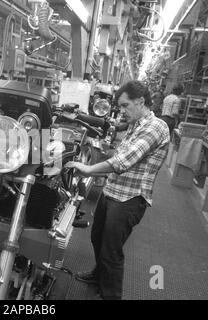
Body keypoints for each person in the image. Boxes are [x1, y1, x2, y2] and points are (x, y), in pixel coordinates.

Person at [65, 80, 170, 300]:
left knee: (111, 252)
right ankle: (98, 275)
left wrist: (89, 169)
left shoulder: (155, 127)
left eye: (125, 106)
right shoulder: (135, 124)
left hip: (129, 199)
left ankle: (111, 295)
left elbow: (123, 161)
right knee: (97, 238)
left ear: (140, 102)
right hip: (113, 190)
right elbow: (118, 152)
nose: (121, 111)